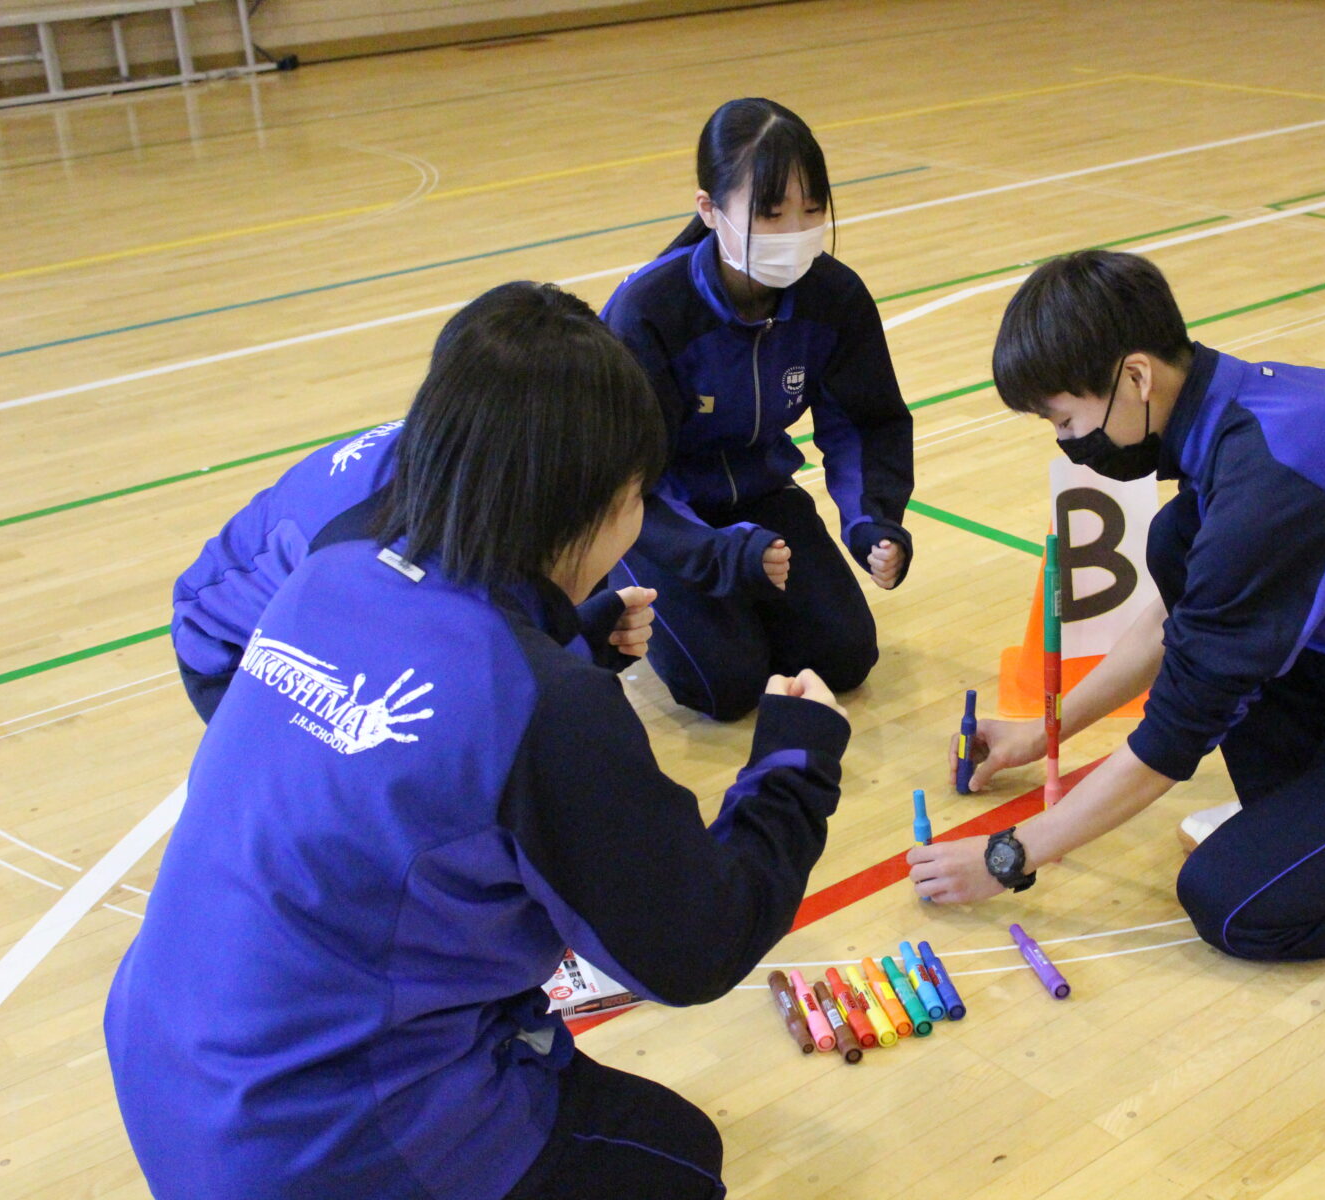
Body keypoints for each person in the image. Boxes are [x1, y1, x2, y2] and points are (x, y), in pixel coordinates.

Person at [107, 282, 852, 1200]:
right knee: (677, 1162)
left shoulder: (333, 565)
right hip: (306, 1150)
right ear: (602, 502)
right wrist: (795, 761)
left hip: (168, 1065)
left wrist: (559, 643)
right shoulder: (545, 708)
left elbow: (430, 726)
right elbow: (694, 947)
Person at [909, 250, 1325, 962]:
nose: (1068, 444)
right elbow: (1179, 628)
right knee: (1180, 544)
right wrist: (1044, 732)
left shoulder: (1272, 490)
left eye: (1067, 421)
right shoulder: (1242, 406)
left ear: (1136, 377)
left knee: (1232, 903)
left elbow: (1175, 733)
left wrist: (1006, 858)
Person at [169, 289, 654, 722]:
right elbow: (426, 682)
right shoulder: (372, 542)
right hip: (233, 652)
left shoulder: (480, 458)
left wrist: (576, 639)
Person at [601, 97, 914, 721]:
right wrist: (718, 555)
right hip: (661, 515)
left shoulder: (835, 297)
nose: (795, 230)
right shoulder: (648, 312)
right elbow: (627, 481)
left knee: (846, 658)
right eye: (770, 213)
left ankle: (748, 603)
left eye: (811, 209)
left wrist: (873, 520)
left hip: (763, 499)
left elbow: (864, 419)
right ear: (709, 210)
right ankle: (626, 580)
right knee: (727, 687)